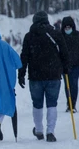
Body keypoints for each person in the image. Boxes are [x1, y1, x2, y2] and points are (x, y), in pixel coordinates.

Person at [18, 11, 70, 142]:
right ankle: (50, 131)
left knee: (37, 104)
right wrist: (65, 69)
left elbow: (24, 57)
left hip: (35, 76)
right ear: (47, 21)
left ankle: (39, 129)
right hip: (53, 75)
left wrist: (21, 74)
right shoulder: (56, 34)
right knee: (52, 104)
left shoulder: (29, 37)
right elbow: (64, 53)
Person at [61, 16, 79, 113]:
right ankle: (69, 103)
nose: (67, 29)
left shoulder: (77, 35)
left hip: (77, 64)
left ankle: (73, 104)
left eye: (69, 27)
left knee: (73, 83)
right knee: (67, 85)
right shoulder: (61, 36)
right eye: (66, 28)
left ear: (72, 27)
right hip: (65, 66)